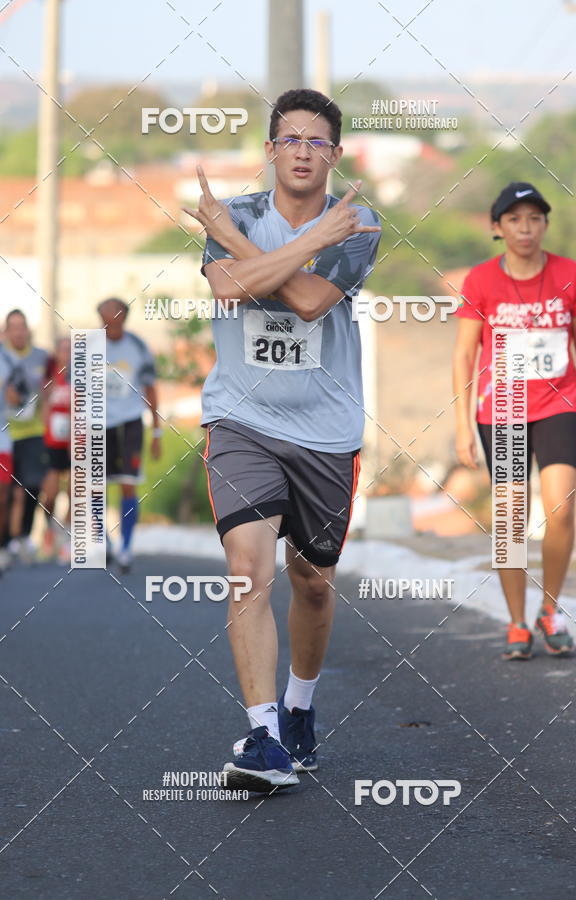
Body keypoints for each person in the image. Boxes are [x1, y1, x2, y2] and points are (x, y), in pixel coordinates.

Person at [185, 88, 381, 791]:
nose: (303, 151)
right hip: (242, 421)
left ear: (335, 153)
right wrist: (286, 249)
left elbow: (307, 302)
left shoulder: (356, 223)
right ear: (270, 150)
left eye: (316, 141)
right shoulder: (234, 213)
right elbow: (229, 290)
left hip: (326, 430)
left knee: (313, 584)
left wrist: (298, 248)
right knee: (248, 569)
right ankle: (263, 734)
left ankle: (299, 705)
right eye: (290, 139)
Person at [453, 181, 576, 660]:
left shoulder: (570, 274)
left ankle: (549, 611)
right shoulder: (480, 280)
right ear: (497, 228)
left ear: (545, 225)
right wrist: (461, 425)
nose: (525, 228)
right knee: (512, 519)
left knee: (562, 511)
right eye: (514, 220)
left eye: (535, 219)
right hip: (503, 409)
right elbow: (464, 354)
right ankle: (517, 622)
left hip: (559, 404)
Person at [98, 298, 162, 573]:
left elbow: (151, 388)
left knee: (127, 484)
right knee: (96, 486)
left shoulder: (138, 346)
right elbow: (78, 392)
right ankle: (104, 541)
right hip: (99, 424)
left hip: (130, 423)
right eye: (105, 322)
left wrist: (157, 430)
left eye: (114, 321)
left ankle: (125, 548)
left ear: (124, 318)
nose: (109, 327)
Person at [4, 309, 49, 564]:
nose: (19, 332)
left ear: (28, 330)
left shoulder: (42, 357)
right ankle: (7, 541)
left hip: (34, 431)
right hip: (6, 432)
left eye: (22, 327)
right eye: (14, 327)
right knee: (8, 489)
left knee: (32, 486)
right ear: (6, 331)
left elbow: (53, 386)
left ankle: (24, 536)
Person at [41, 336, 71, 562]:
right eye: (63, 350)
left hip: (74, 440)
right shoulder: (50, 376)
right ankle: (49, 526)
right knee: (50, 493)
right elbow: (44, 407)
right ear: (57, 353)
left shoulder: (81, 378)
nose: (67, 354)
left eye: (71, 350)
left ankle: (66, 537)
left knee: (74, 490)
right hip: (53, 440)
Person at [0, 341, 21, 573]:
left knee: (3, 496)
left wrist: (14, 396)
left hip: (2, 440)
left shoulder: (8, 358)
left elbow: (21, 397)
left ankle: (2, 546)